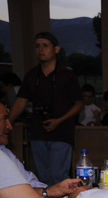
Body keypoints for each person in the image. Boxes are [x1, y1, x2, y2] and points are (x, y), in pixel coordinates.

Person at [0, 102, 84, 198]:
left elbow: (23, 188)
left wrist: (47, 191)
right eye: (4, 119)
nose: (10, 126)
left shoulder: (4, 151)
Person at [9, 32, 83, 185]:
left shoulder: (67, 75)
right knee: (42, 178)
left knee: (58, 176)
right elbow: (21, 101)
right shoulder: (32, 75)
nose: (40, 49)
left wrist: (59, 120)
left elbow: (79, 103)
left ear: (56, 49)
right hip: (37, 132)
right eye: (37, 46)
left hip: (61, 132)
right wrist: (7, 121)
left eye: (45, 46)